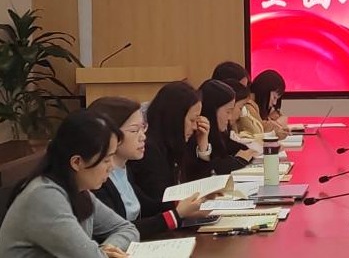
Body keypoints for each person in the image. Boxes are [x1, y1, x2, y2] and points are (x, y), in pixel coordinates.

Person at [0, 110, 139, 258]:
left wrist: (108, 248)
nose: (111, 167)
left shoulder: (78, 189)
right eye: (106, 160)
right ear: (76, 162)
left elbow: (127, 228)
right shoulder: (45, 197)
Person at [88, 97, 207, 238]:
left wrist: (187, 205)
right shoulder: (97, 179)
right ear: (109, 136)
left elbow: (147, 206)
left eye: (143, 127)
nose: (143, 136)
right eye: (134, 130)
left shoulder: (123, 169)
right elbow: (118, 229)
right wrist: (176, 214)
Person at [128, 81, 210, 201]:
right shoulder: (148, 150)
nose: (195, 127)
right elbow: (162, 200)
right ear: (175, 118)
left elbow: (199, 184)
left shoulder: (176, 142)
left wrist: (203, 146)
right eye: (192, 120)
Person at [190, 80, 257, 177]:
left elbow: (241, 150)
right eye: (228, 112)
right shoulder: (194, 135)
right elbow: (211, 171)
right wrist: (239, 160)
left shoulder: (219, 134)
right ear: (212, 110)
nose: (229, 117)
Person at [243, 69, 288, 139]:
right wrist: (277, 124)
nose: (274, 103)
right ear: (265, 91)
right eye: (274, 97)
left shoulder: (257, 106)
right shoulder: (248, 106)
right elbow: (259, 129)